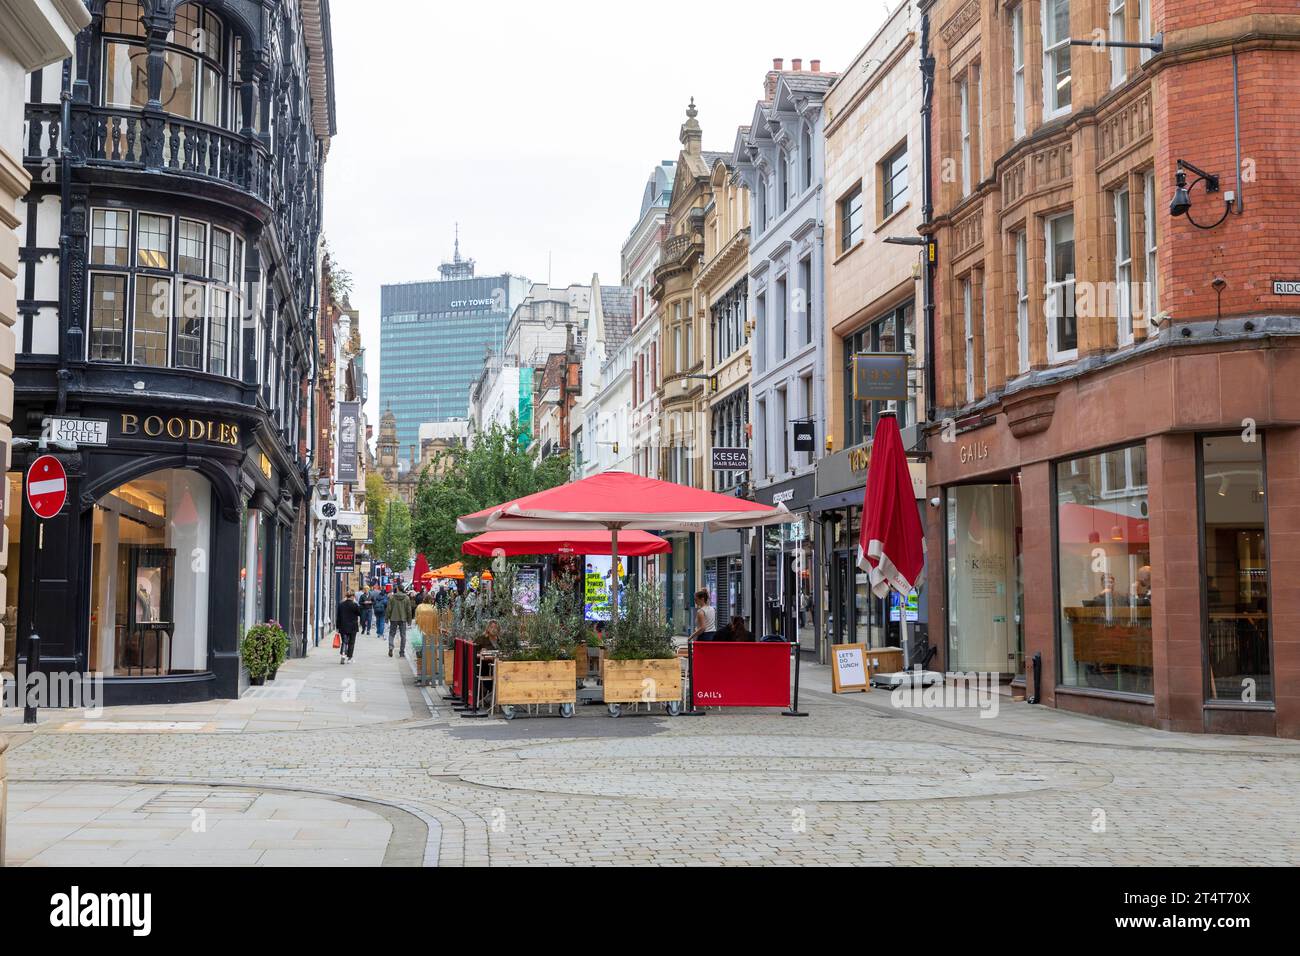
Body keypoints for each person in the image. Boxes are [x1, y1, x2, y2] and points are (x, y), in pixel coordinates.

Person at [387, 584, 413, 658]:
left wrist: (387, 618)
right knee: (403, 636)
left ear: (398, 589)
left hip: (393, 618)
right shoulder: (407, 598)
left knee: (392, 634)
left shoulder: (392, 597)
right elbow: (409, 610)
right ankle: (402, 652)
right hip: (403, 619)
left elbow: (389, 609)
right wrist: (409, 620)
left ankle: (391, 647)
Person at [336, 590, 361, 664]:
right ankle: (349, 658)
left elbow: (338, 617)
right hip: (353, 627)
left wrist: (337, 627)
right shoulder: (355, 605)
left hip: (343, 626)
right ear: (352, 596)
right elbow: (359, 613)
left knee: (344, 641)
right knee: (351, 642)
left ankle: (343, 654)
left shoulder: (341, 605)